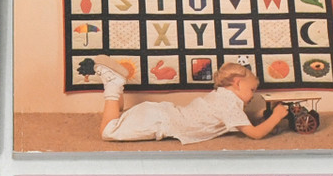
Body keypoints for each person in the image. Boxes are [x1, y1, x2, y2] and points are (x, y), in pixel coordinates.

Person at [84, 57, 287, 143]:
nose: (253, 95)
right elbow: (255, 134)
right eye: (252, 90)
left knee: (118, 118)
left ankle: (116, 88)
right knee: (108, 132)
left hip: (159, 113)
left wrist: (263, 115)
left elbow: (242, 120)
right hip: (159, 121)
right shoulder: (229, 105)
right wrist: (276, 116)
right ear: (237, 83)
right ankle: (114, 85)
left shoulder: (224, 97)